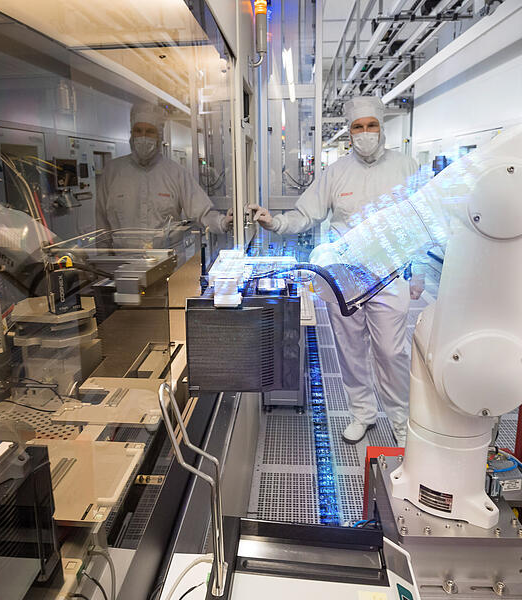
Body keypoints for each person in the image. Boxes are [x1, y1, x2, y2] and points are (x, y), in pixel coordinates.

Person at [248, 96, 420, 446]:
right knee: (350, 348)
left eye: (371, 125)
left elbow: (422, 220)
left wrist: (416, 272)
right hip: (344, 277)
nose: (365, 133)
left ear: (381, 127)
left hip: (389, 274)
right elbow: (306, 214)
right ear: (350, 131)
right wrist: (274, 222)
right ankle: (363, 414)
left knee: (391, 351)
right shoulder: (337, 172)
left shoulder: (407, 167)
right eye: (358, 127)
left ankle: (401, 419)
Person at [96, 102, 232, 234]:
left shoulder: (175, 173)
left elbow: (201, 212)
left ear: (159, 136)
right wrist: (103, 256)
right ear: (132, 134)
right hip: (124, 256)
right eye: (138, 130)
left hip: (167, 255)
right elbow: (101, 222)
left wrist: (223, 222)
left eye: (149, 131)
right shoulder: (112, 172)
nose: (143, 136)